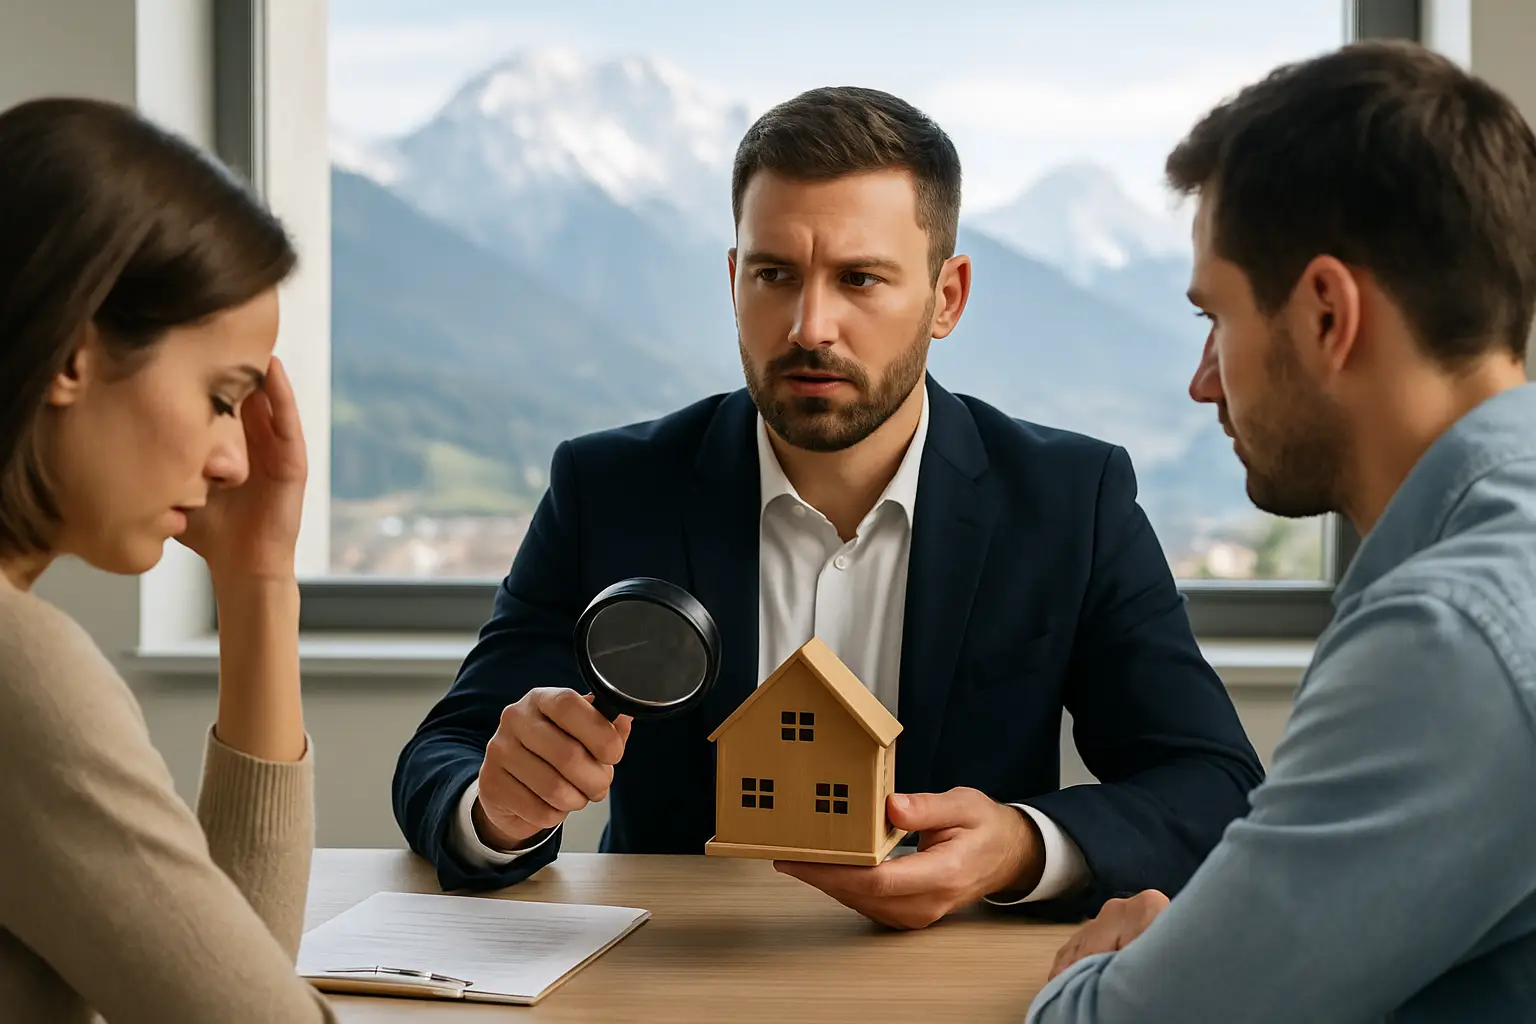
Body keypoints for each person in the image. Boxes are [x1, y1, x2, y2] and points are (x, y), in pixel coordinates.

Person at [393, 86, 1264, 928]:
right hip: (669, 980)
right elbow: (446, 756)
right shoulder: (609, 488)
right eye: (775, 274)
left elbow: (1211, 785)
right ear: (734, 280)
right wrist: (500, 808)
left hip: (946, 986)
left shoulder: (1073, 500)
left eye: (859, 279)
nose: (810, 325)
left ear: (946, 298)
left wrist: (1019, 849)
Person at [1027, 40, 1536, 1023]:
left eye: (1215, 316)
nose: (1203, 378)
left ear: (1325, 315)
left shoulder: (1451, 641)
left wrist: (1132, 970)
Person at [0, 98, 336, 1022]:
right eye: (222, 397)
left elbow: (229, 967)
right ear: (75, 352)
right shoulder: (20, 669)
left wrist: (256, 577)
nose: (235, 459)